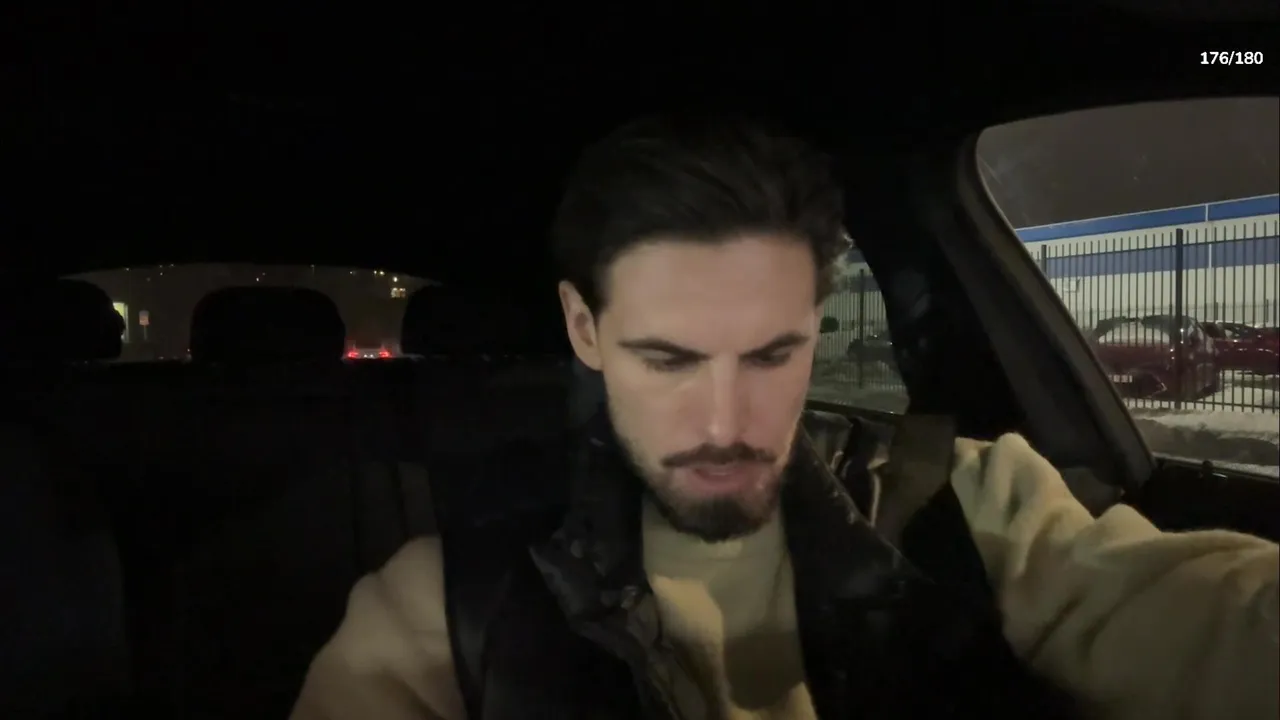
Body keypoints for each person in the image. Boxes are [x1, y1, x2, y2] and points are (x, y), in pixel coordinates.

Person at [290, 116, 1279, 720]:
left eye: (771, 355)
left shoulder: (970, 503)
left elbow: (1222, 621)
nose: (726, 421)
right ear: (584, 330)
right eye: (669, 359)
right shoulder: (447, 610)